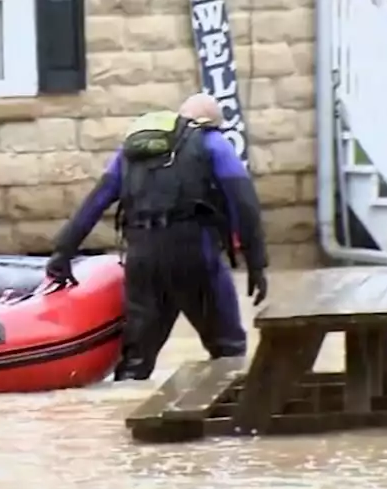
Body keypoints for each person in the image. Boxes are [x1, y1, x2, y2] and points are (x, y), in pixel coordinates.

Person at [44, 93, 269, 381]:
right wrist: (256, 262)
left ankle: (122, 414)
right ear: (211, 122)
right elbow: (243, 202)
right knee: (228, 350)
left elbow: (96, 202)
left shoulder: (131, 151)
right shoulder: (212, 142)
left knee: (136, 362)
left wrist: (62, 253)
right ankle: (232, 421)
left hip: (142, 258)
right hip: (194, 258)